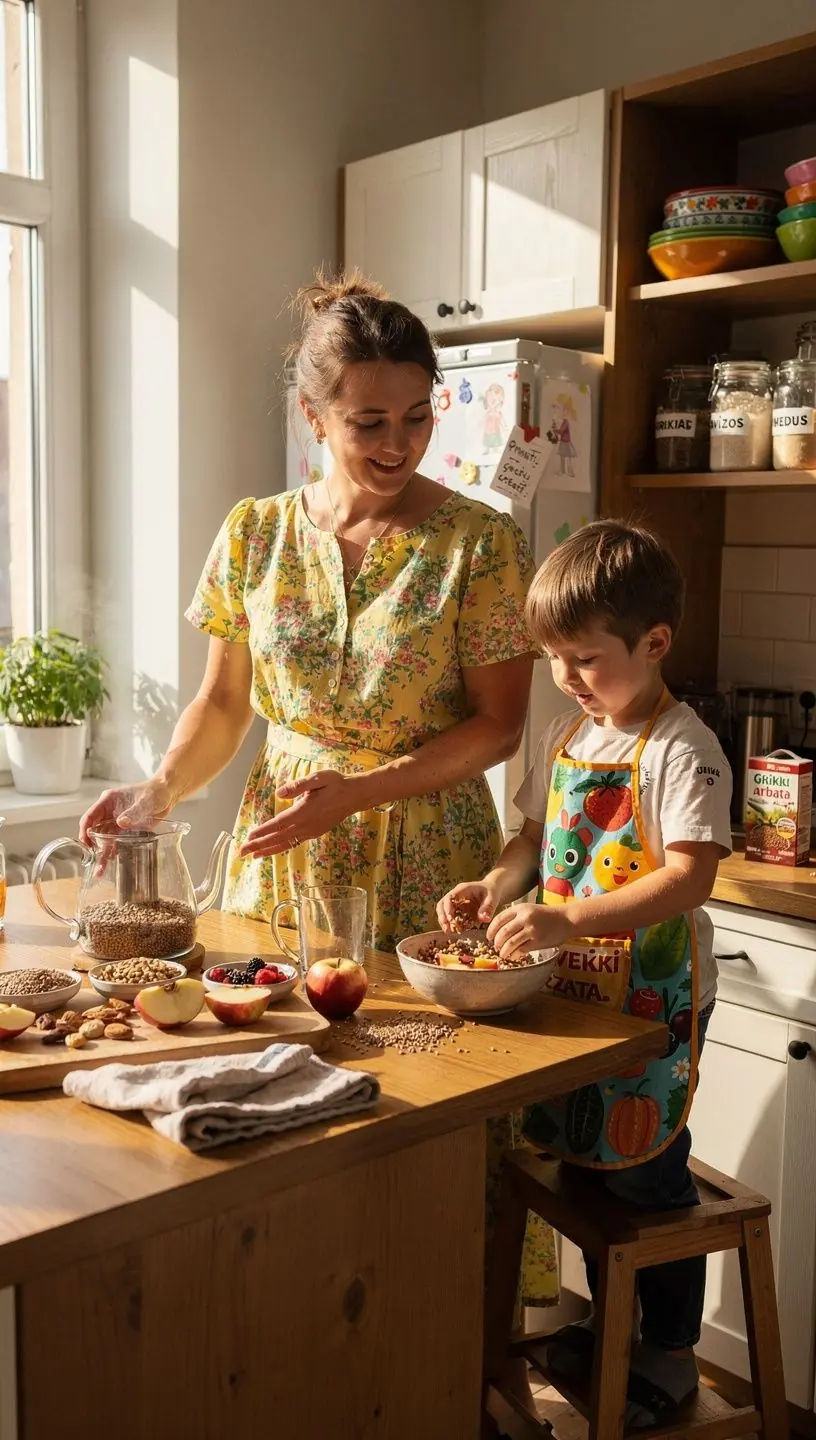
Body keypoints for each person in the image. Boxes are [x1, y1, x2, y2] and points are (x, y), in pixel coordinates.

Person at [79, 270, 536, 956]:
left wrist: (357, 791)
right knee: (270, 1042)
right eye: (369, 422)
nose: (398, 443)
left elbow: (500, 726)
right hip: (284, 851)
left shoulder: (481, 542)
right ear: (314, 416)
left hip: (428, 858)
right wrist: (159, 789)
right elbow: (224, 703)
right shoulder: (253, 533)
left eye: (418, 416)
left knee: (430, 1057)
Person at [439, 520, 732, 1430]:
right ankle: (612, 1333)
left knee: (649, 1172)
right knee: (588, 1168)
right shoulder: (571, 732)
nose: (566, 677)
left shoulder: (684, 749)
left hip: (651, 999)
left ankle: (672, 1355)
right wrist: (492, 888)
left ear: (655, 644)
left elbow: (690, 875)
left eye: (586, 658)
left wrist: (562, 919)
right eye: (554, 658)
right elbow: (532, 841)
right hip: (572, 995)